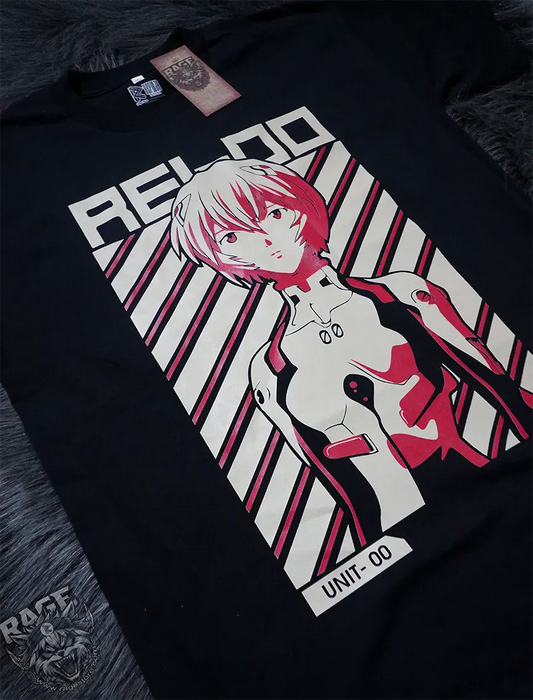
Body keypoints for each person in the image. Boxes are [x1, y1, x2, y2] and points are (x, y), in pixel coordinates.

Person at [170, 158, 532, 532]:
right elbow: (339, 486)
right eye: (231, 237)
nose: (263, 238)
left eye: (273, 213)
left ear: (300, 207)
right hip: (393, 533)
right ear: (219, 257)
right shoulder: (267, 369)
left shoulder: (402, 293)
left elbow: (505, 391)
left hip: (497, 489)